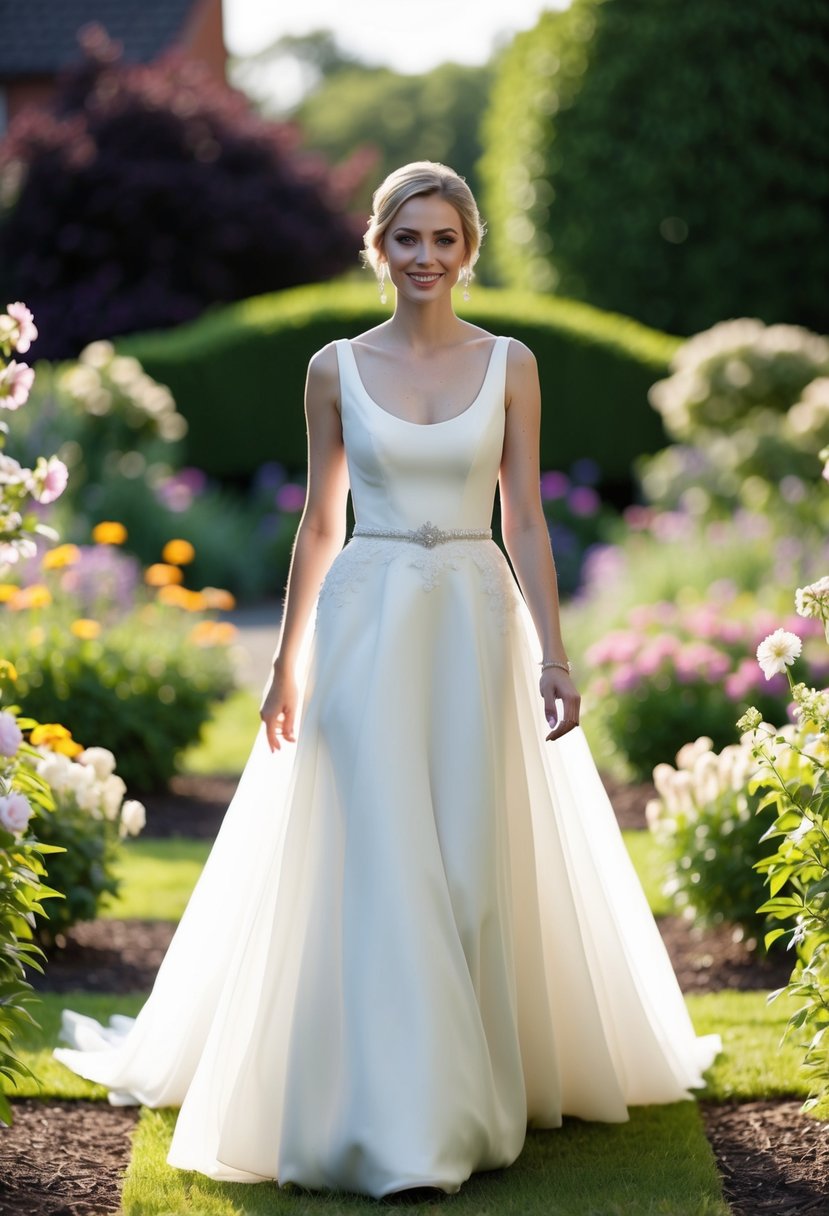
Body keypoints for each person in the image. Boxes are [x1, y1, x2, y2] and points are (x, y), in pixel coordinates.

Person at [54, 162, 720, 1199]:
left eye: (445, 239)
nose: (426, 258)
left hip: (470, 619)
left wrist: (553, 650)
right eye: (407, 238)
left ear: (469, 249)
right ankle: (403, 1119)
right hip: (364, 621)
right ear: (379, 246)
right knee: (377, 847)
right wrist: (285, 664)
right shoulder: (331, 368)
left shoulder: (512, 364)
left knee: (462, 857)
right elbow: (321, 524)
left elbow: (527, 519)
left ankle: (469, 1075)